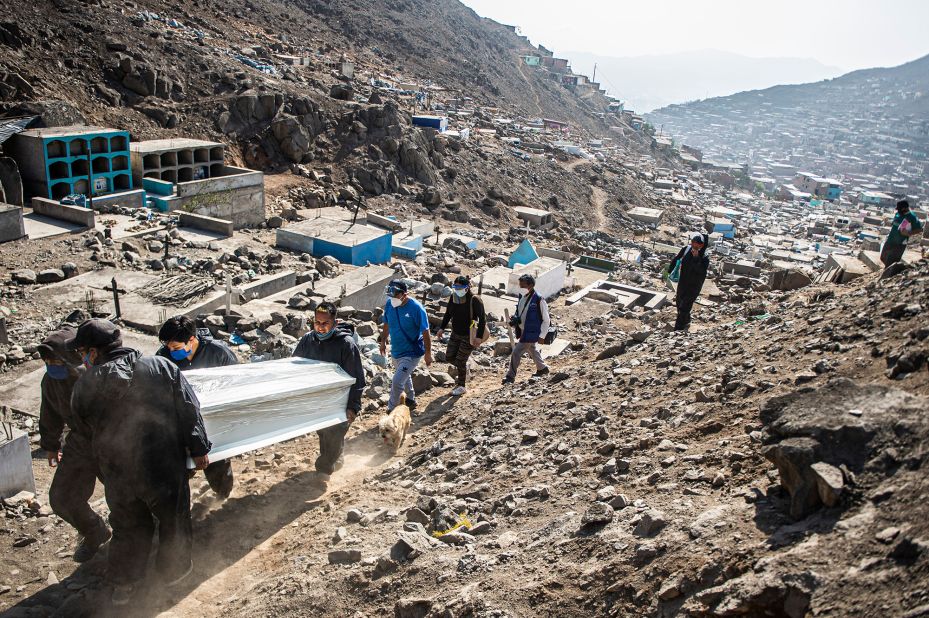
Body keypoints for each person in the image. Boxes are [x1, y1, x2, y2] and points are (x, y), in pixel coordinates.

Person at [67, 319, 211, 605]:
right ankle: (175, 574)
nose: (83, 358)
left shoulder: (84, 385)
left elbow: (82, 432)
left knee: (128, 525)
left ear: (94, 353)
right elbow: (188, 408)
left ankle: (124, 582)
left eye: (83, 351)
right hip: (164, 465)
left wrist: (99, 468)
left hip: (118, 471)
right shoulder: (161, 368)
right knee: (174, 520)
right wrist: (199, 448)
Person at [38, 325, 111, 563]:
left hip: (110, 441)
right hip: (79, 442)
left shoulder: (96, 376)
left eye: (57, 362)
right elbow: (49, 413)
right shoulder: (50, 382)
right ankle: (95, 532)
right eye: (48, 362)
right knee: (62, 497)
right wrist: (51, 444)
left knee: (124, 497)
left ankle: (137, 538)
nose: (52, 367)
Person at [156, 315, 237, 499]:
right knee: (180, 470)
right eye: (168, 347)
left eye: (175, 347)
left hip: (213, 422)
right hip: (182, 423)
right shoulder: (163, 356)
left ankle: (222, 494)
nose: (171, 351)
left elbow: (236, 380)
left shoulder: (218, 352)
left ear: (191, 340)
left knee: (217, 465)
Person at [292, 302, 366, 478]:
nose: (320, 327)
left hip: (340, 402)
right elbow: (294, 365)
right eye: (317, 322)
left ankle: (324, 468)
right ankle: (336, 459)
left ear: (335, 322)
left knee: (334, 433)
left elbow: (357, 378)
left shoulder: (346, 344)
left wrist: (353, 407)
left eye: (325, 323)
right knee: (324, 435)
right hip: (318, 401)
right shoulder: (307, 340)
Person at [379, 280, 432, 411]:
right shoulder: (390, 304)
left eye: (395, 295)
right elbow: (387, 323)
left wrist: (428, 353)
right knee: (404, 375)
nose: (392, 298)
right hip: (396, 350)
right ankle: (411, 400)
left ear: (404, 294)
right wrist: (383, 341)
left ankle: (391, 409)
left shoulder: (416, 308)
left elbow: (426, 331)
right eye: (390, 295)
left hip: (412, 352)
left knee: (397, 382)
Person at [435, 275, 486, 396]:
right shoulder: (454, 297)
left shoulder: (475, 300)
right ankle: (464, 368)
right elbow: (447, 314)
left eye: (460, 287)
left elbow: (483, 319)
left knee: (460, 360)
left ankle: (461, 385)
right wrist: (441, 328)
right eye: (455, 287)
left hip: (469, 336)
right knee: (449, 357)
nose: (457, 289)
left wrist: (478, 337)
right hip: (455, 333)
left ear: (467, 287)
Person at [502, 274, 550, 384]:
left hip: (531, 332)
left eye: (523, 284)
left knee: (516, 352)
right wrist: (515, 320)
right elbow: (520, 313)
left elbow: (546, 319)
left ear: (530, 284)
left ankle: (510, 376)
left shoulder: (539, 299)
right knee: (532, 349)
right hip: (524, 330)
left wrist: (542, 335)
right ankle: (542, 368)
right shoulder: (523, 297)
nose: (520, 285)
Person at [668, 233, 710, 331]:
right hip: (683, 283)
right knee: (679, 303)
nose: (694, 246)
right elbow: (677, 258)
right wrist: (670, 270)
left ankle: (678, 330)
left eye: (697, 244)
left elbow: (701, 271)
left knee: (684, 307)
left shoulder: (704, 257)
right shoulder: (686, 249)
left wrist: (696, 258)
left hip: (694, 286)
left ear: (701, 245)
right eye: (693, 243)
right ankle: (686, 320)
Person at [880, 200, 924, 267]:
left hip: (900, 243)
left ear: (905, 208)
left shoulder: (912, 217)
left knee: (892, 262)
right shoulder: (898, 214)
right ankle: (889, 270)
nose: (898, 211)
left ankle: (889, 274)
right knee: (883, 257)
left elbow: (919, 229)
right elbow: (894, 224)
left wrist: (909, 233)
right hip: (890, 240)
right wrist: (887, 222)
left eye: (900, 209)